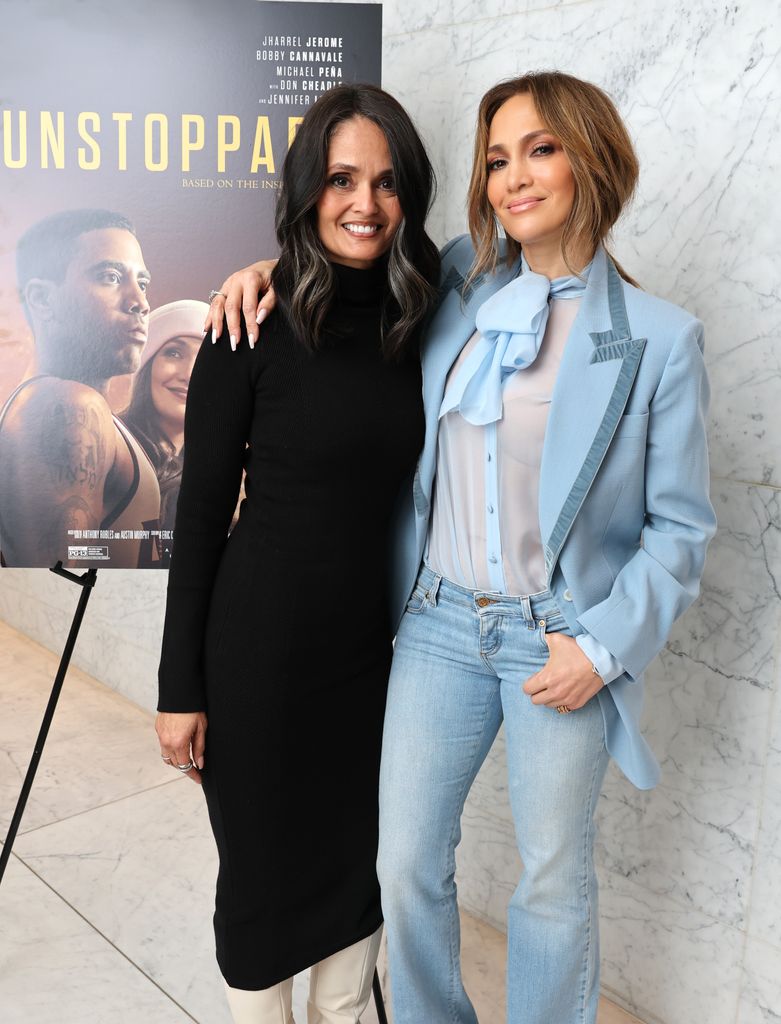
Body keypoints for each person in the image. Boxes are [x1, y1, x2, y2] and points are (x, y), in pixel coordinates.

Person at [207, 70, 716, 1024]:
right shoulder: (456, 279)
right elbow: (345, 266)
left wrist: (600, 648)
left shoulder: (656, 339)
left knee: (550, 882)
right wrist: (261, 274)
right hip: (437, 623)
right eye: (495, 160)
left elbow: (681, 528)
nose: (513, 178)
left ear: (590, 159)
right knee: (402, 864)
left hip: (557, 641)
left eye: (540, 149)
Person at [154, 84, 439, 1024]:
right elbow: (198, 516)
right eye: (341, 179)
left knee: (356, 884)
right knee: (264, 887)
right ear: (307, 188)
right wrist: (177, 688)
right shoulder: (248, 326)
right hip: (259, 659)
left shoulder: (424, 313)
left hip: (373, 663)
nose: (365, 203)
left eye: (387, 182)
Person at [0, 209, 161, 569]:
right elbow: (58, 580)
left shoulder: (84, 409)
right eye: (110, 276)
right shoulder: (69, 406)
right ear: (42, 299)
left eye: (143, 282)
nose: (140, 302)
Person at [121, 299, 208, 565]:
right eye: (174, 353)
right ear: (148, 366)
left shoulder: (217, 466)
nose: (190, 373)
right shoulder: (111, 447)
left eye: (206, 359)